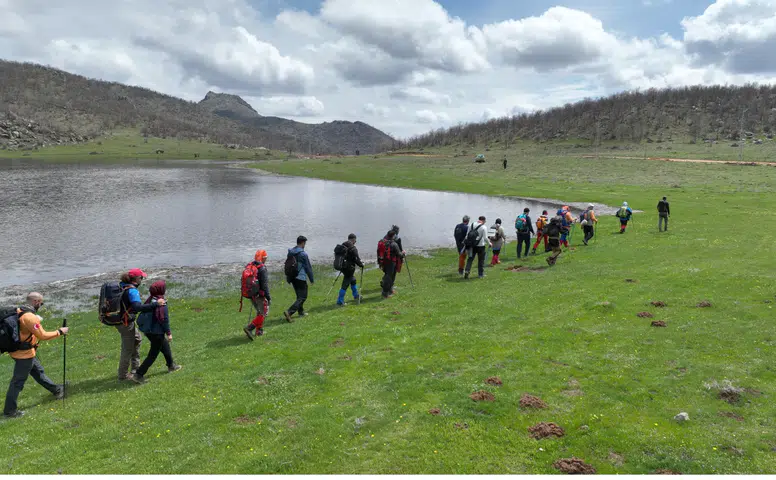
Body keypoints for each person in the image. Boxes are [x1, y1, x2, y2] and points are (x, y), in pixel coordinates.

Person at [4, 293, 68, 419]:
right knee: (17, 382)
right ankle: (9, 411)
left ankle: (56, 390)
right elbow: (43, 335)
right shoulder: (29, 317)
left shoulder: (19, 310)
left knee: (38, 372)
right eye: (41, 303)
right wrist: (60, 332)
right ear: (36, 301)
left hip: (20, 351)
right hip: (24, 355)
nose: (41, 305)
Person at [116, 269, 165, 381]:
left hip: (120, 320)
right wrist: (155, 304)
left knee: (137, 339)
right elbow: (137, 308)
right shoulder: (132, 291)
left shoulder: (121, 285)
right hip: (126, 323)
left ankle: (135, 369)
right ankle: (123, 376)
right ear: (135, 279)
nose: (142, 280)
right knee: (127, 349)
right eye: (141, 278)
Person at [132, 281, 181, 384]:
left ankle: (171, 365)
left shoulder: (150, 300)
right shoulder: (161, 303)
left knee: (165, 346)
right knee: (153, 354)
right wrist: (169, 333)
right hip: (156, 333)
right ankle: (139, 374)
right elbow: (164, 320)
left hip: (148, 331)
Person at [284, 236, 314, 322]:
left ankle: (301, 312)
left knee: (299, 296)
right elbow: (308, 267)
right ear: (302, 243)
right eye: (305, 243)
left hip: (292, 277)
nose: (305, 245)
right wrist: (311, 279)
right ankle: (289, 312)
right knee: (303, 297)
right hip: (300, 277)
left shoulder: (290, 252)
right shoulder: (303, 254)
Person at [243, 249, 271, 339]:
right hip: (260, 295)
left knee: (259, 312)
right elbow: (265, 285)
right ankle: (249, 328)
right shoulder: (262, 268)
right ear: (263, 258)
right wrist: (268, 297)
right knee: (263, 313)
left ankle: (259, 331)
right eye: (265, 258)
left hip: (251, 294)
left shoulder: (251, 265)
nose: (266, 260)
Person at [336, 234, 365, 307]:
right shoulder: (353, 248)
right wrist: (361, 265)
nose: (355, 241)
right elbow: (356, 259)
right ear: (353, 239)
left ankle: (356, 295)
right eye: (355, 240)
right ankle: (340, 300)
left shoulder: (343, 245)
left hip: (343, 267)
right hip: (349, 268)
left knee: (353, 280)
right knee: (345, 283)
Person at [379, 230, 403, 298]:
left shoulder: (383, 242)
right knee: (389, 278)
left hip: (384, 262)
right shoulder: (394, 244)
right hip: (391, 263)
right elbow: (399, 254)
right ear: (393, 236)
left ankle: (390, 290)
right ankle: (385, 293)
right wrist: (403, 253)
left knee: (388, 276)